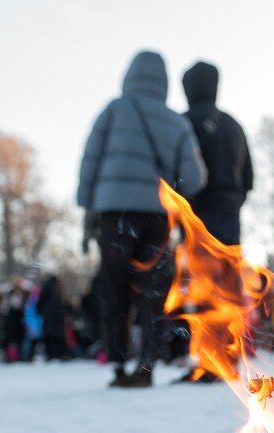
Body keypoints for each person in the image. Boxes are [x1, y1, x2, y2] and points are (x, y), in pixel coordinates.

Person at [77, 50, 206, 388]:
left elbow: (90, 159)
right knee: (153, 292)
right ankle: (147, 366)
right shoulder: (175, 121)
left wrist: (86, 203)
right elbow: (194, 178)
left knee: (114, 286)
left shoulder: (113, 110)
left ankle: (118, 365)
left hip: (114, 212)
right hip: (157, 217)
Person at [173, 61, 254, 383]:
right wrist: (234, 201)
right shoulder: (233, 125)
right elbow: (249, 176)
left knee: (199, 285)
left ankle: (206, 360)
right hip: (229, 211)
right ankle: (228, 357)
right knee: (228, 285)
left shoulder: (182, 122)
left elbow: (173, 172)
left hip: (195, 212)